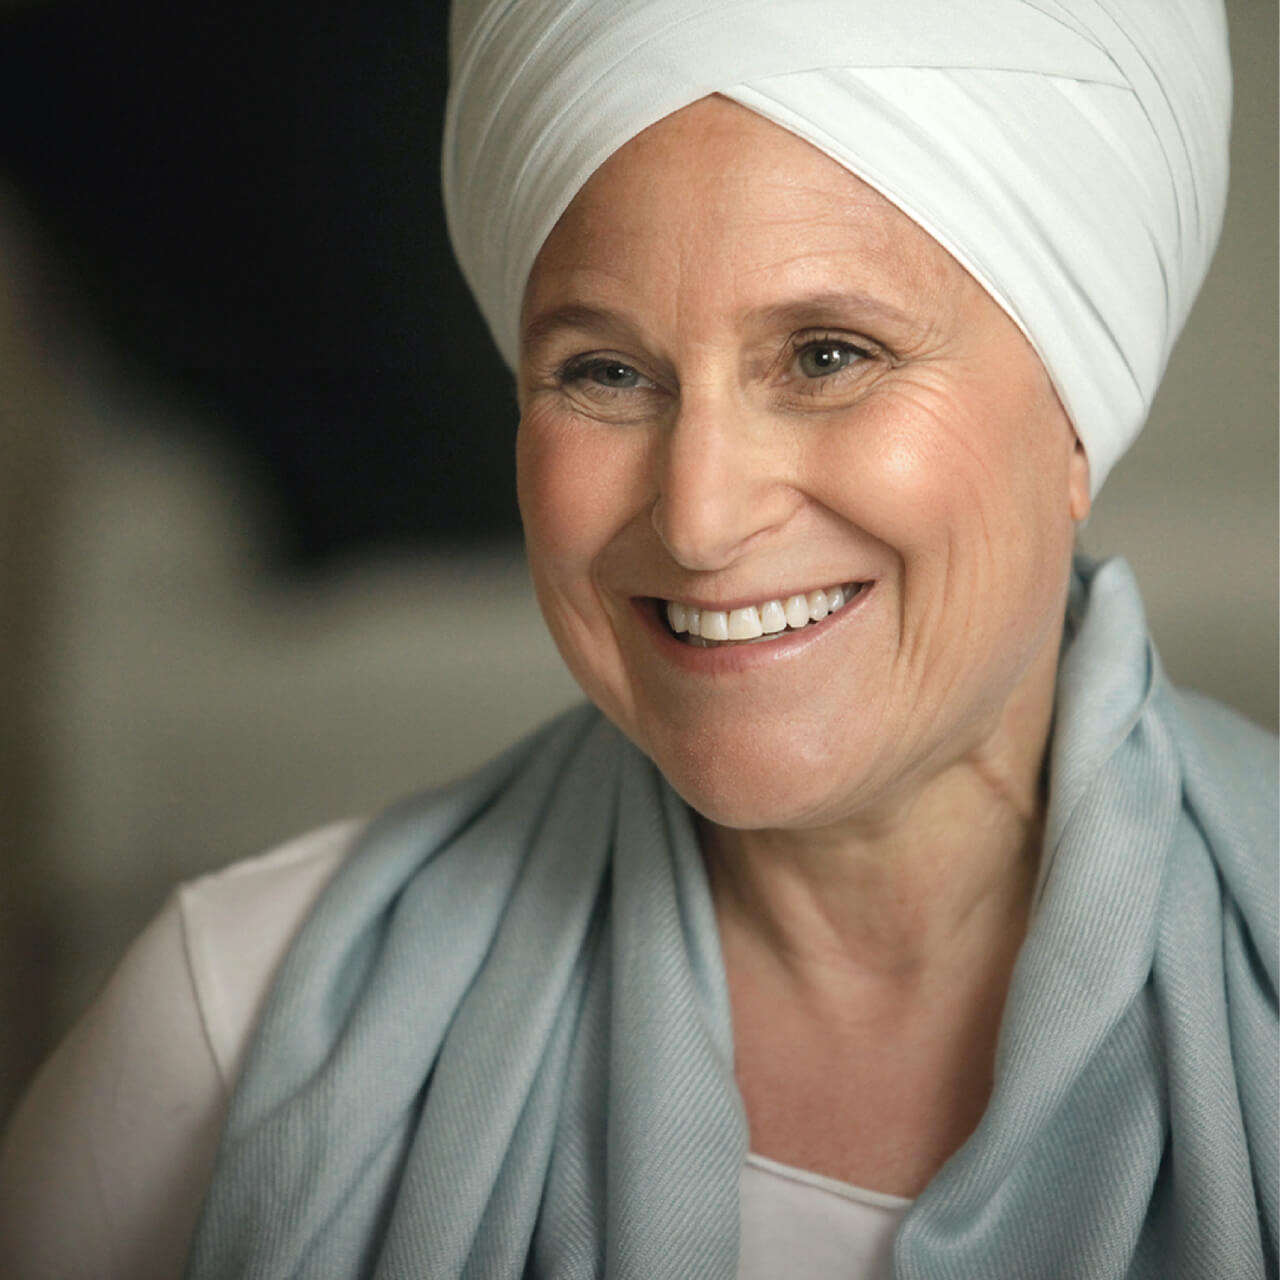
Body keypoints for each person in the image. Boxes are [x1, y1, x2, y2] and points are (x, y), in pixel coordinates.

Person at [2, 0, 1275, 1277]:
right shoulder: (224, 1030)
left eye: (826, 355)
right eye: (604, 372)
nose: (699, 517)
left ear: (1075, 412)